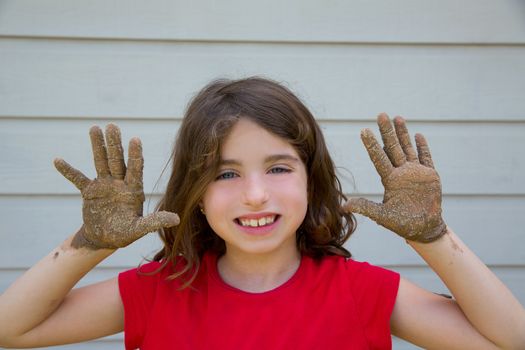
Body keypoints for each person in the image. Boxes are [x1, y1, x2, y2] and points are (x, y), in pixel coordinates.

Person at [0, 77, 524, 349]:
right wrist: (89, 244)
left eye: (278, 168)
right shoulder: (160, 290)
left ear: (310, 179)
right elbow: (11, 329)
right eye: (225, 174)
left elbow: (509, 338)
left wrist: (433, 235)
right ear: (196, 194)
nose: (254, 194)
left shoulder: (362, 292)